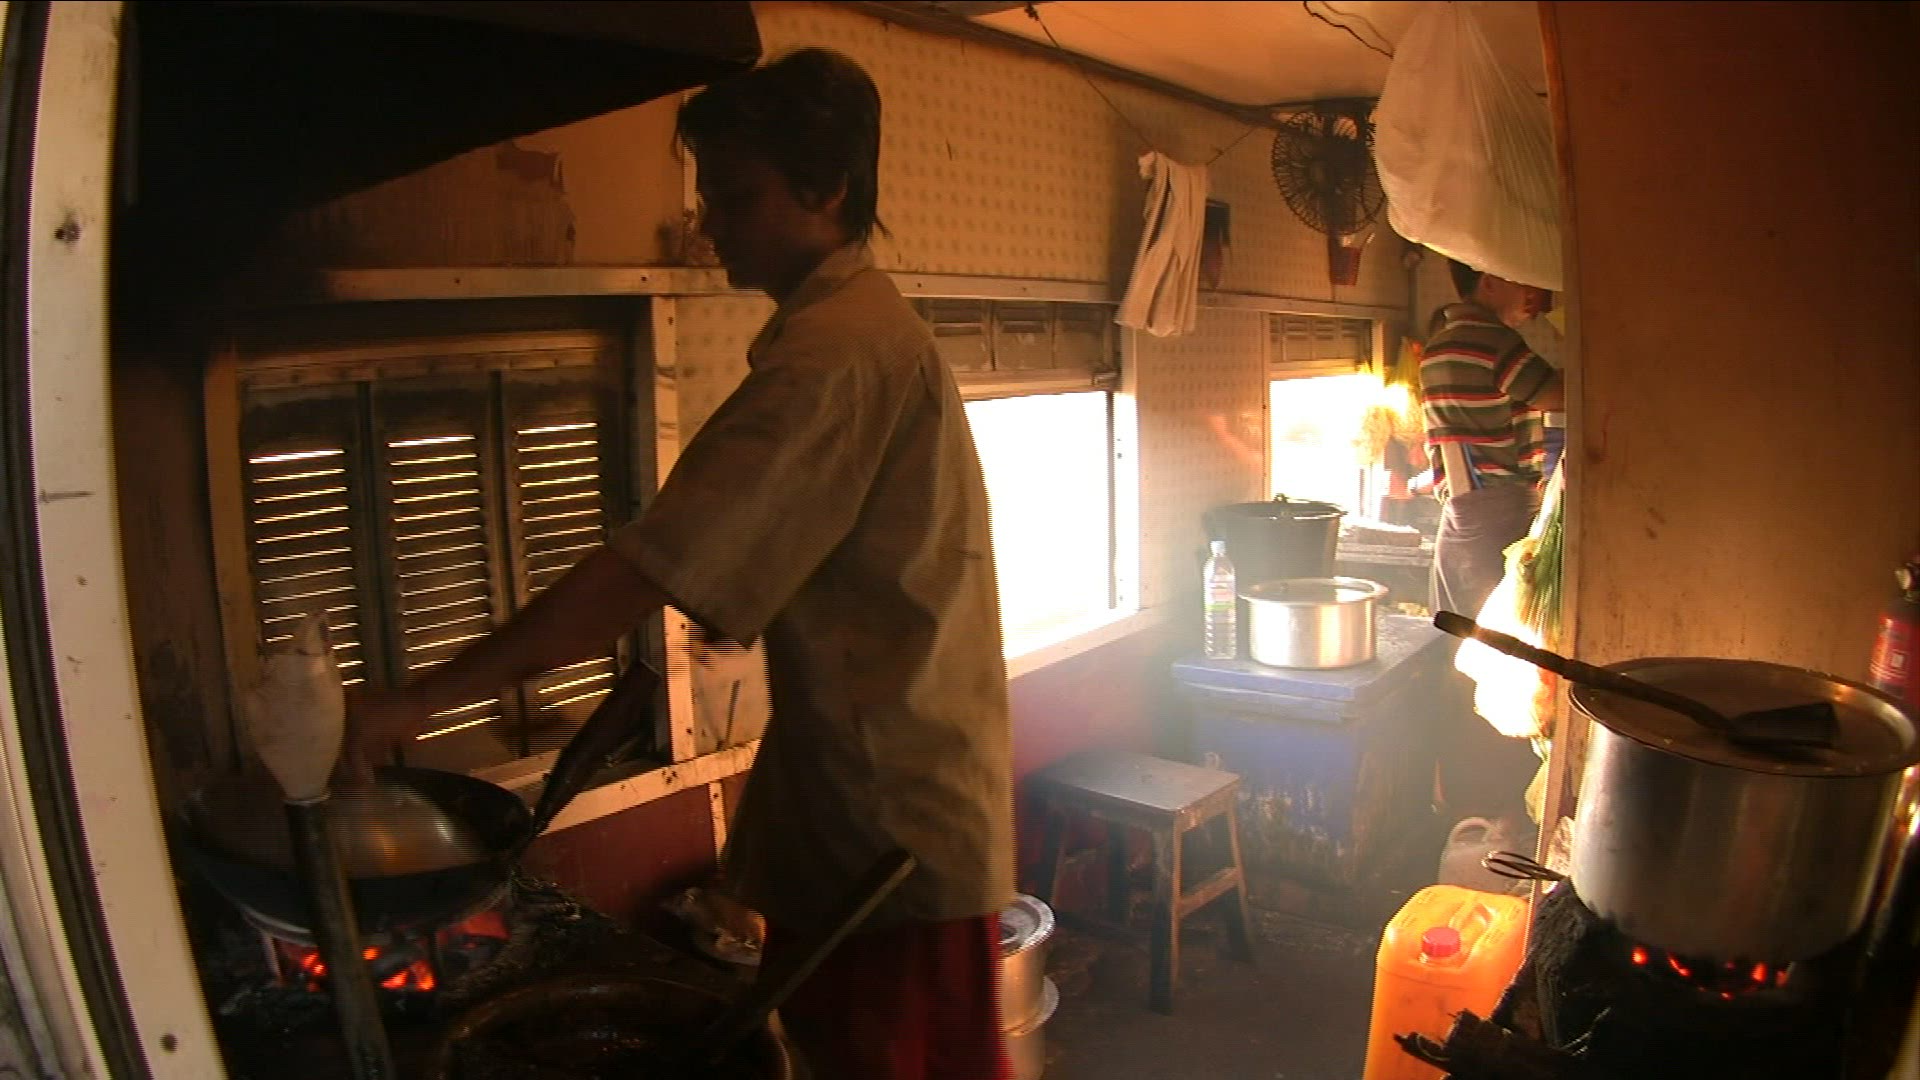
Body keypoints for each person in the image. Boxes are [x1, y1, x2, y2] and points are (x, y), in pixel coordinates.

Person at [346, 48, 1015, 1080]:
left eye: (737, 198)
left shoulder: (837, 355)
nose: (710, 225)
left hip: (888, 830)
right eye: (710, 197)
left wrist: (417, 702)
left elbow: (643, 571)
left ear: (828, 190)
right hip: (875, 808)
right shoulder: (853, 334)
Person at [1419, 258, 1563, 828]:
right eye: (1518, 274)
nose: (1531, 290)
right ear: (1489, 277)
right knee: (1503, 665)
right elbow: (1561, 391)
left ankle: (1464, 802)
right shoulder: (1487, 339)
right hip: (1491, 516)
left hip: (1467, 514)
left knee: (1470, 661)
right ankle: (1488, 807)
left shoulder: (1447, 339)